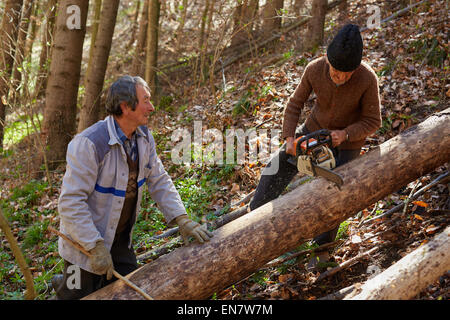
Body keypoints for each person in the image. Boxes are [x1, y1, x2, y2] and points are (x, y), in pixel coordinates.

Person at [52, 75, 213, 299]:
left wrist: (182, 219)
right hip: (83, 245)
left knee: (131, 293)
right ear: (125, 106)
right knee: (75, 294)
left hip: (119, 240)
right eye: (145, 100)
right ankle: (62, 285)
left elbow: (159, 179)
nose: (152, 107)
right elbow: (70, 202)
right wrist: (94, 245)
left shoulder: (144, 138)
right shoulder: (89, 144)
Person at [249, 24, 381, 247]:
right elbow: (294, 104)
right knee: (276, 166)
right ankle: (254, 217)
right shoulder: (314, 69)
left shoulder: (368, 79)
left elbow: (373, 121)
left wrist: (346, 135)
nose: (338, 77)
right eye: (334, 71)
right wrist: (289, 139)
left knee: (336, 191)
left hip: (346, 142)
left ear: (356, 69)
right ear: (327, 60)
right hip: (314, 129)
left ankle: (323, 248)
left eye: (345, 74)